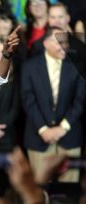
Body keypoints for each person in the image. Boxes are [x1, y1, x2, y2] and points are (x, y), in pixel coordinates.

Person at [21, 26, 86, 182]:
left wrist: (62, 128)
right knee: (40, 192)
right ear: (46, 43)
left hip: (69, 138)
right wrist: (44, 130)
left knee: (69, 193)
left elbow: (80, 100)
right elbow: (28, 100)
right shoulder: (29, 67)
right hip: (38, 138)